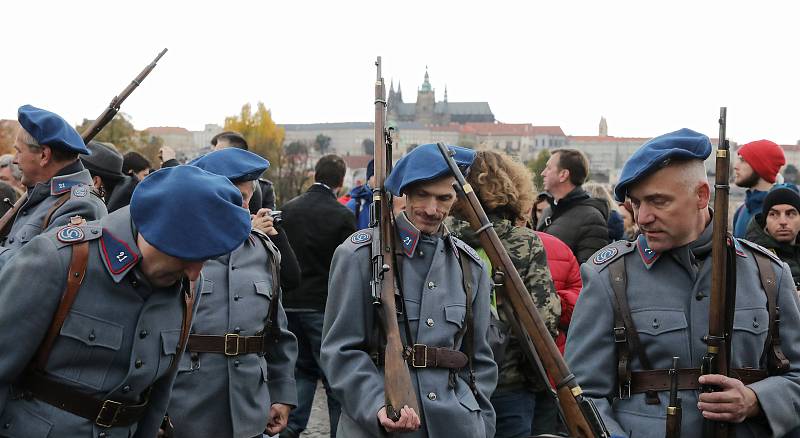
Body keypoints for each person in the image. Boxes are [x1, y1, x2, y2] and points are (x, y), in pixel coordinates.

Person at [565, 128, 800, 437]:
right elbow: (582, 395)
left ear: (701, 195)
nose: (643, 217)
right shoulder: (610, 276)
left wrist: (756, 399)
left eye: (657, 201)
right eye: (636, 203)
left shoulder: (767, 273)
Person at [0, 165, 252, 437]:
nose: (195, 272)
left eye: (206, 259)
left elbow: (158, 396)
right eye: (186, 255)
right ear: (152, 232)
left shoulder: (189, 283)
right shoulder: (59, 260)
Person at [321, 143, 497, 438]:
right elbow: (340, 351)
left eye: (443, 198)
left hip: (455, 426)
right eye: (422, 196)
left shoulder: (470, 266)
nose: (432, 209)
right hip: (379, 426)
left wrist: (479, 419)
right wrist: (377, 405)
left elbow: (479, 358)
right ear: (405, 194)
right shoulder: (360, 255)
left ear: (455, 199)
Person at [167, 148, 298, 438]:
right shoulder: (176, 251)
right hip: (184, 406)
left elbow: (278, 334)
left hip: (249, 407)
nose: (240, 205)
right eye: (231, 196)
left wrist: (282, 394)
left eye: (246, 197)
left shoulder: (265, 251)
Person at [448, 150, 559, 438]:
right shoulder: (525, 242)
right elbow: (544, 319)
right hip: (508, 380)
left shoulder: (441, 238)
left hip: (448, 379)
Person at [280, 154, 355, 438]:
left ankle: (290, 429)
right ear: (340, 181)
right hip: (323, 304)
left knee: (300, 371)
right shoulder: (342, 215)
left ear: (314, 174)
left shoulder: (288, 210)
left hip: (290, 303)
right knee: (334, 377)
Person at [0, 105, 107, 257]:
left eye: (19, 151)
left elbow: (33, 269)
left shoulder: (80, 206)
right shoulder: (44, 196)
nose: (15, 160)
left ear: (44, 155)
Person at [538, 149, 610, 263]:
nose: (543, 173)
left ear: (563, 175)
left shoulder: (592, 218)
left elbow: (590, 272)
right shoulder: (548, 211)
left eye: (549, 168)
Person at [745, 184, 800, 288]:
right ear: (765, 221)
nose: (783, 222)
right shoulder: (751, 259)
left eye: (790, 214)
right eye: (774, 214)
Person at [211, 131, 276, 213]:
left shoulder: (246, 187)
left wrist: (253, 225)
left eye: (219, 154)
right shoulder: (216, 183)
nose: (212, 158)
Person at [732, 139, 786, 238]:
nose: (735, 166)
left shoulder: (783, 211)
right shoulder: (741, 210)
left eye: (743, 160)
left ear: (761, 166)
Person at [346, 159, 375, 230]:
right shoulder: (355, 205)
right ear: (368, 179)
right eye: (375, 175)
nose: (383, 178)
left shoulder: (396, 203)